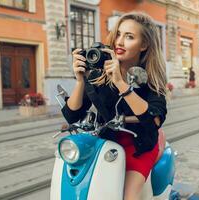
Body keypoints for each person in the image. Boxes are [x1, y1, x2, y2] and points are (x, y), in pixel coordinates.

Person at [63, 12, 167, 200]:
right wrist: (80, 81)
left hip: (139, 144)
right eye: (118, 34)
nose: (119, 41)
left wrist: (120, 82)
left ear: (143, 45)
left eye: (129, 37)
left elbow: (153, 119)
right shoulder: (99, 74)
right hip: (106, 141)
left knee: (129, 196)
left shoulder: (150, 80)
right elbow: (72, 116)